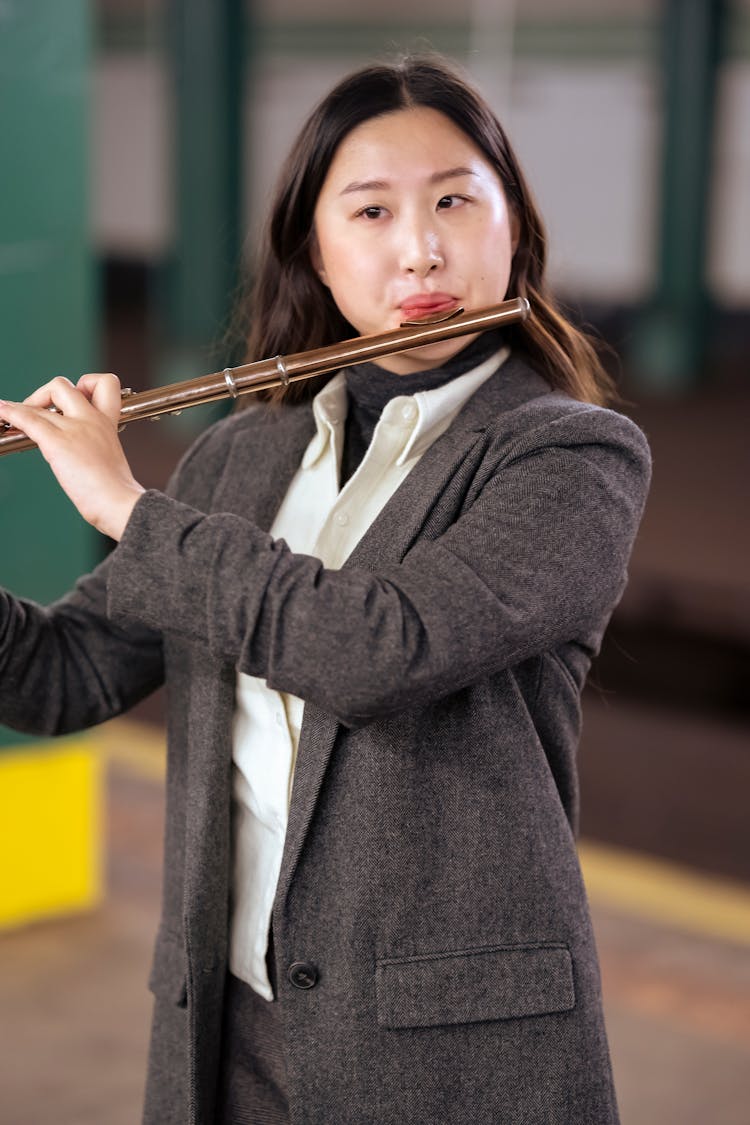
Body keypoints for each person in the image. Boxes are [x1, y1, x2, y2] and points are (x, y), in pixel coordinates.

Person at [0, 54, 650, 1125]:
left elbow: (377, 651)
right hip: (232, 1023)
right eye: (371, 212)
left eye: (455, 199)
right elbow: (60, 677)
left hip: (453, 1049)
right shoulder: (237, 461)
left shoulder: (573, 459)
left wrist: (126, 506)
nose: (422, 247)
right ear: (316, 249)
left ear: (515, 228)